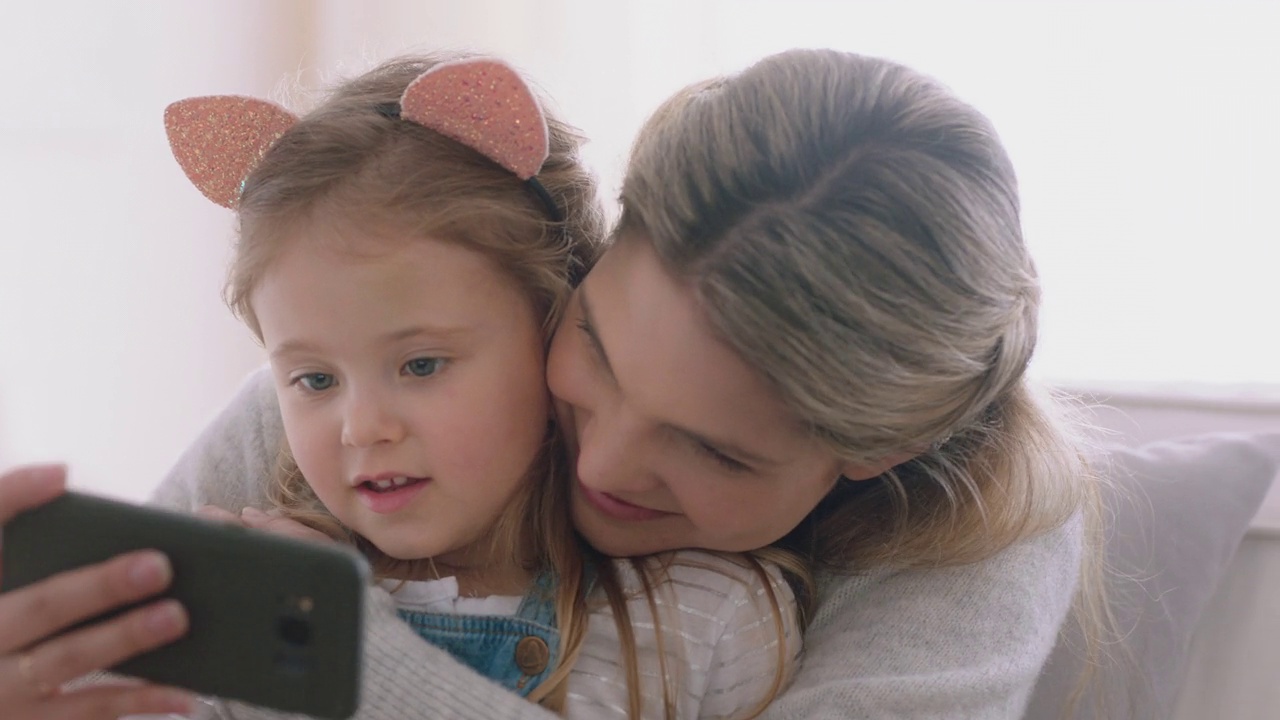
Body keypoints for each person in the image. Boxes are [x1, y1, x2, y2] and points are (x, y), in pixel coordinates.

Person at [0, 47, 1098, 719]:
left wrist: (353, 669)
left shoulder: (963, 535)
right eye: (600, 355)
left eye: (716, 447)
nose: (604, 460)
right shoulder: (361, 407)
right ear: (581, 265)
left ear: (873, 453)